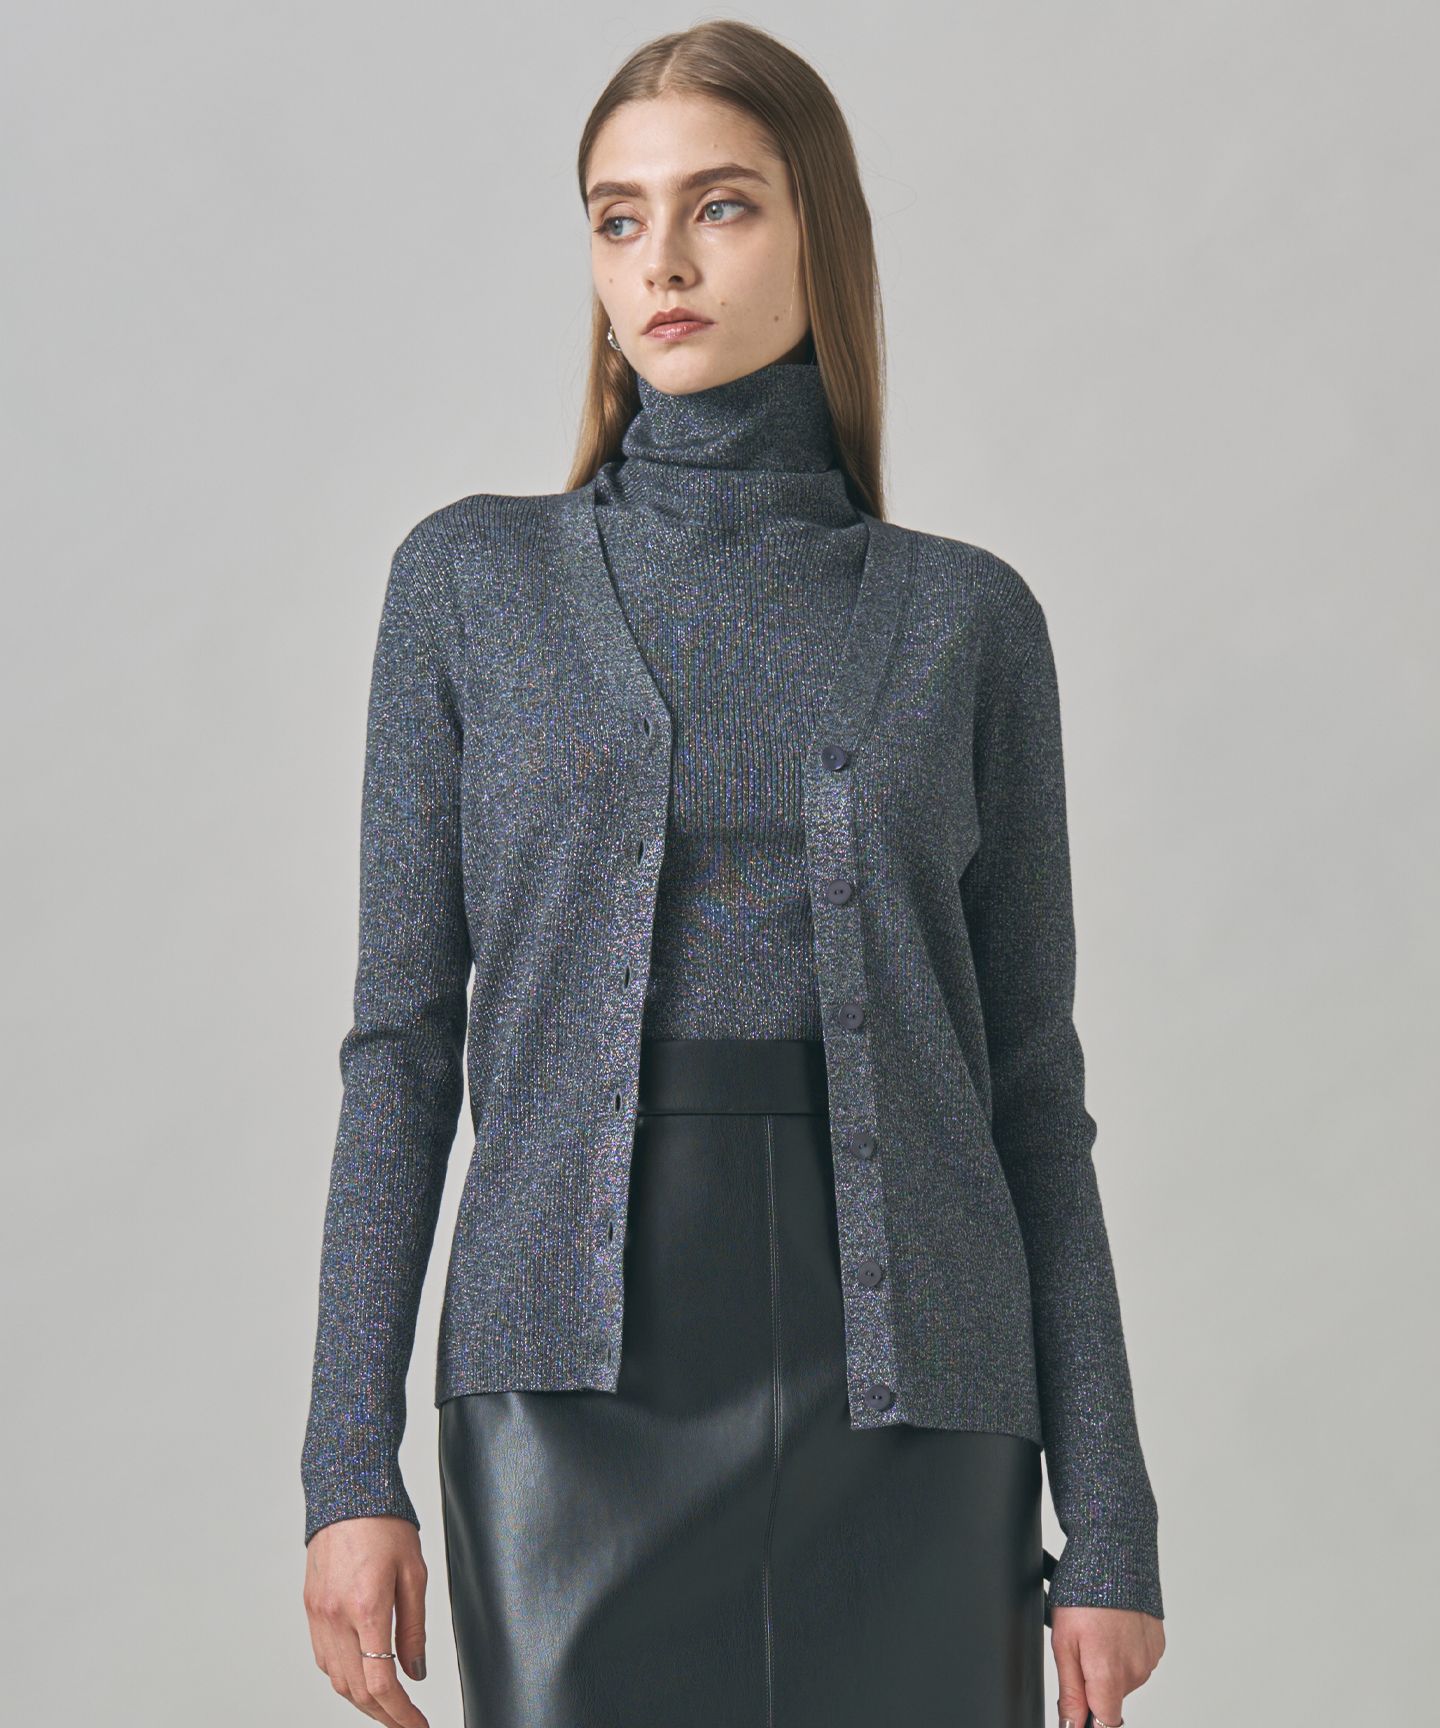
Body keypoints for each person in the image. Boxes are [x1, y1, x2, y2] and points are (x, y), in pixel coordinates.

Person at [301, 19, 1167, 1728]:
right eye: (618, 218)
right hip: (563, 1388)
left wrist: (1113, 1521)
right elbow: (398, 1051)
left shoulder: (970, 622)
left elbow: (1030, 1092)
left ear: (817, 231)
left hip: (920, 1398)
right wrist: (346, 1463)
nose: (664, 263)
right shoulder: (470, 587)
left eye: (721, 205)